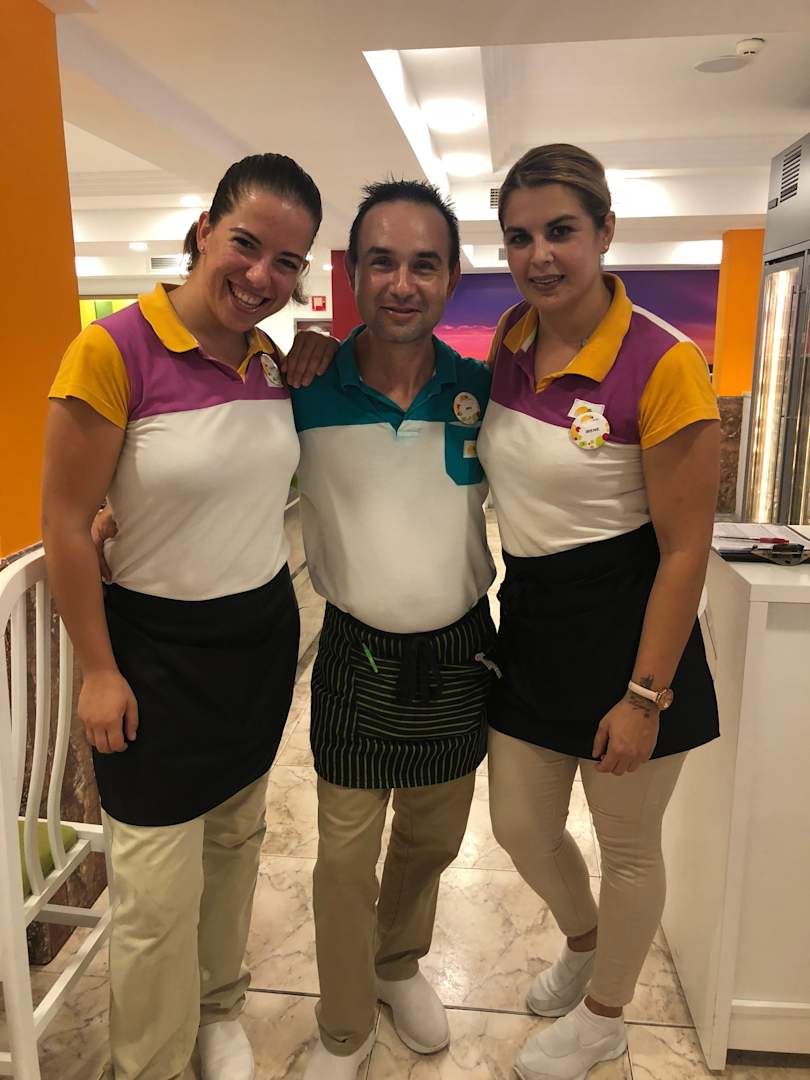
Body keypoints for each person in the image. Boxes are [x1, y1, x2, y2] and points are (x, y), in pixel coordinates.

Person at [42, 152, 324, 1080]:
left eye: (288, 262)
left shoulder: (270, 361)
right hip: (152, 655)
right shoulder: (113, 349)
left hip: (257, 639)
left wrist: (318, 352)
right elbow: (66, 526)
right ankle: (150, 1063)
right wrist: (98, 669)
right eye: (246, 244)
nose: (261, 275)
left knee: (237, 843)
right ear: (202, 232)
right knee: (155, 893)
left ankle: (218, 1008)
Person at [477, 144, 721, 1080]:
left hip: (633, 633)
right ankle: (584, 943)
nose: (539, 255)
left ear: (605, 230)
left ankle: (607, 1017)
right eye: (519, 237)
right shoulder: (509, 342)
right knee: (519, 825)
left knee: (627, 846)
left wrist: (645, 696)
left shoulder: (665, 362)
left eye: (561, 231)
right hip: (534, 624)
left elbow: (686, 548)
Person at [292, 180, 497, 1079]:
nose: (402, 284)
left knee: (432, 839)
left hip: (459, 651)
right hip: (356, 654)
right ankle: (343, 1021)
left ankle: (397, 963)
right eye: (382, 262)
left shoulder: (481, 391)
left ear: (450, 278)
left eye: (424, 264)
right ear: (353, 274)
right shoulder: (303, 388)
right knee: (343, 858)